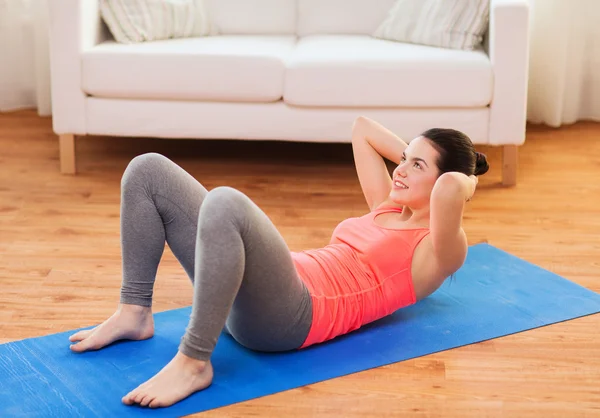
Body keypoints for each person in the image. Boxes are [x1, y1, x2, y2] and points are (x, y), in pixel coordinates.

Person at [67, 116, 489, 408]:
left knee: (226, 202)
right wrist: (415, 162)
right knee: (148, 170)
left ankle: (194, 362)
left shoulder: (439, 250)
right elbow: (362, 130)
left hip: (292, 317)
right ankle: (134, 312)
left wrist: (467, 173)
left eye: (416, 166)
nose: (400, 170)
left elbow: (450, 186)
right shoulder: (385, 206)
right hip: (261, 290)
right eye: (402, 160)